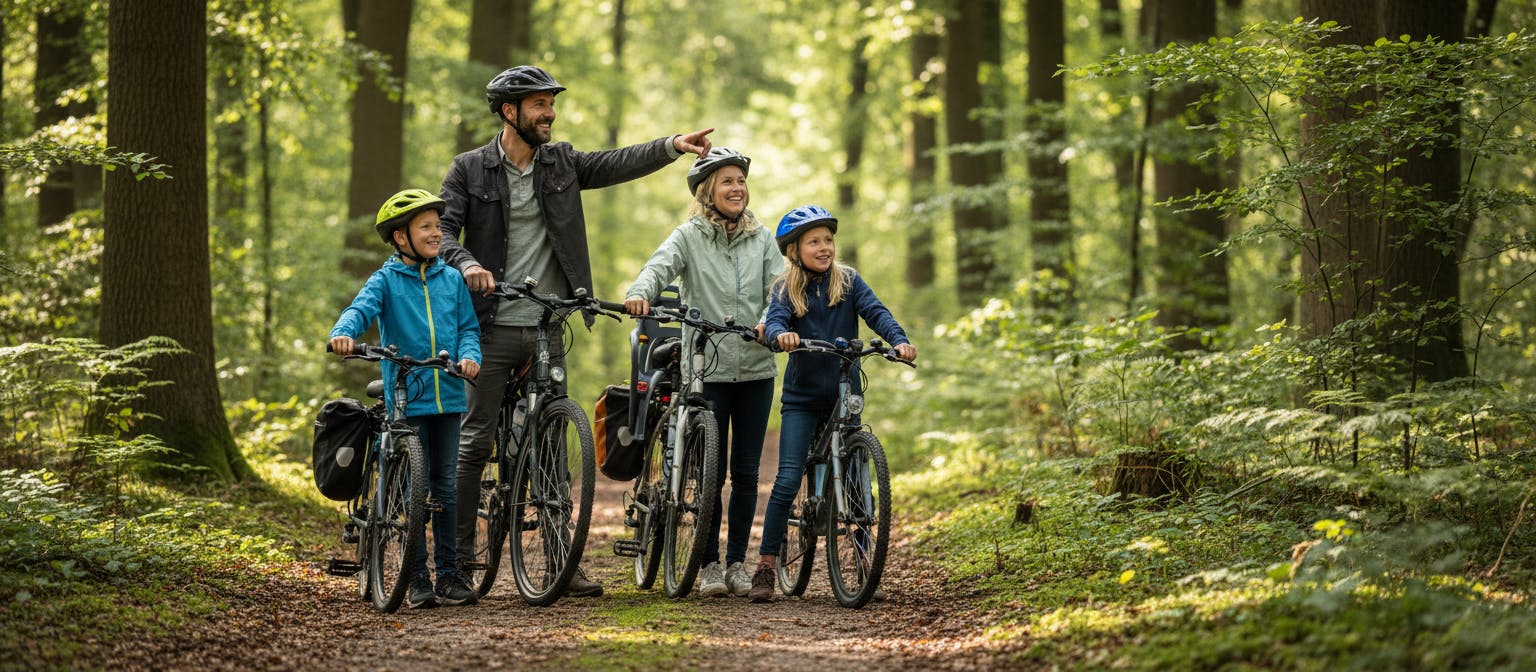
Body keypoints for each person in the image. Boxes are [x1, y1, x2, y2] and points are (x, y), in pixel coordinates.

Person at [439, 65, 714, 597]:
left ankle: (562, 563)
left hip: (549, 321)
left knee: (550, 442)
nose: (550, 113)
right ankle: (452, 566)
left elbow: (612, 164)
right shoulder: (470, 169)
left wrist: (672, 145)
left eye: (551, 104)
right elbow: (445, 229)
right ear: (507, 111)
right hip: (490, 324)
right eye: (539, 105)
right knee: (474, 441)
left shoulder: (560, 161)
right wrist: (466, 263)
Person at [623, 147, 779, 597]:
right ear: (707, 191)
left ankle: (736, 564)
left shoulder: (762, 238)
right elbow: (659, 268)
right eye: (727, 181)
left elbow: (779, 288)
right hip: (704, 368)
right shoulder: (688, 236)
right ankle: (707, 562)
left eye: (741, 181)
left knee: (746, 473)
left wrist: (773, 319)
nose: (737, 188)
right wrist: (639, 292)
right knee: (706, 468)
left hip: (754, 366)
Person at [749, 205, 917, 603]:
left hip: (845, 392)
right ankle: (766, 565)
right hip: (803, 398)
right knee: (788, 478)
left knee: (859, 476)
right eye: (814, 241)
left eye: (828, 240)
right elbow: (775, 321)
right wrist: (781, 335)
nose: (824, 247)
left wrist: (899, 339)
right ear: (794, 250)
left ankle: (862, 561)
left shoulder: (849, 280)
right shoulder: (784, 287)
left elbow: (877, 312)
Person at [329, 188, 484, 609]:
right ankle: (416, 577)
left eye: (438, 225)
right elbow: (359, 310)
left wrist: (470, 357)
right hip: (406, 399)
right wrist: (344, 334)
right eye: (427, 227)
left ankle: (450, 576)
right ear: (401, 237)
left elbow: (468, 329)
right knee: (411, 491)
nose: (437, 233)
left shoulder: (451, 279)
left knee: (446, 489)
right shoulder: (385, 280)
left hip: (449, 395)